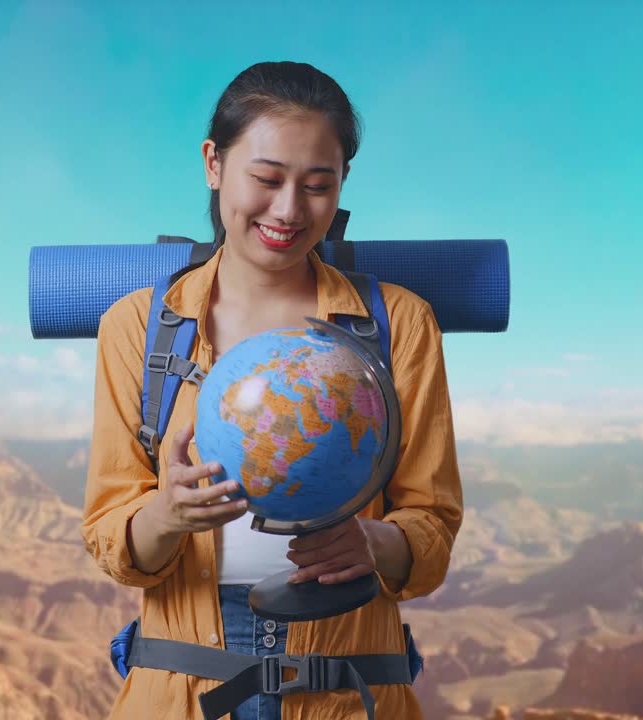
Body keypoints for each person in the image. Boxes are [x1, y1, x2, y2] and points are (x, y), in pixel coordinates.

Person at [82, 61, 463, 720]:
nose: (288, 211)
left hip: (347, 691)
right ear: (213, 163)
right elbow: (114, 542)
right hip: (180, 692)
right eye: (265, 179)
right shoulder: (138, 330)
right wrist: (168, 516)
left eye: (319, 185)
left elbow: (431, 532)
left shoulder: (399, 325)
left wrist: (376, 544)